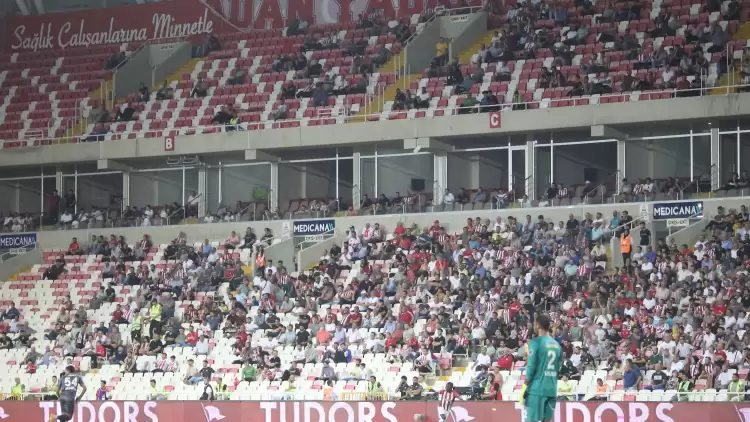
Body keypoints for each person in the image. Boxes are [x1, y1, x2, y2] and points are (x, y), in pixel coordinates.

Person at [522, 314, 562, 422]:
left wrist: (524, 386)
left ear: (538, 325)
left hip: (537, 389)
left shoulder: (535, 342)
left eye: (534, 324)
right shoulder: (557, 345)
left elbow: (531, 367)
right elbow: (559, 367)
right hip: (552, 389)